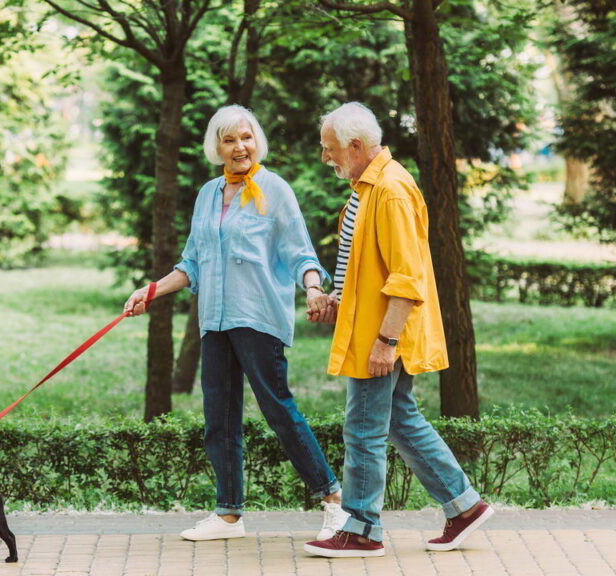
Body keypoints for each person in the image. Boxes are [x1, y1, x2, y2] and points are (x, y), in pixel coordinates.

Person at [124, 104, 349, 542]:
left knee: (278, 410)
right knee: (219, 419)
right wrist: (149, 291)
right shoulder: (208, 194)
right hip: (216, 320)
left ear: (256, 141)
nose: (239, 147)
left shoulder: (274, 190)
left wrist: (314, 289)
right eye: (229, 139)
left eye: (245, 137)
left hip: (258, 316)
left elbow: (300, 252)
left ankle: (333, 500)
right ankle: (229, 514)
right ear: (218, 146)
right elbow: (192, 262)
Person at [302, 102, 494, 558]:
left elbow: (406, 280)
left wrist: (386, 341)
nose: (325, 157)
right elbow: (369, 268)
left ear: (355, 145)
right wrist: (338, 302)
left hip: (381, 335)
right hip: (371, 326)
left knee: (363, 429)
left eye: (330, 149)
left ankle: (362, 529)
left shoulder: (389, 190)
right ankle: (464, 506)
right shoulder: (366, 187)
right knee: (399, 419)